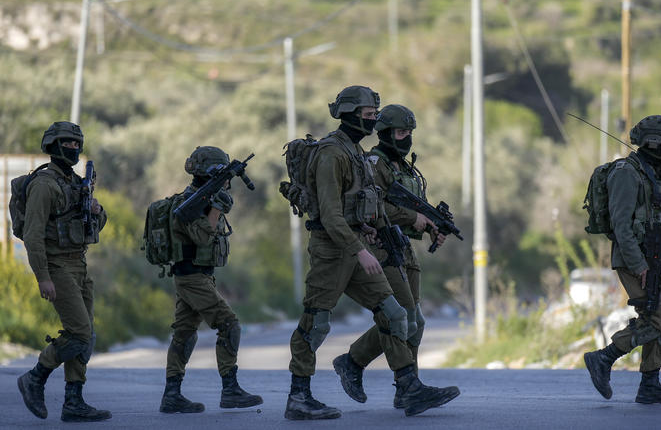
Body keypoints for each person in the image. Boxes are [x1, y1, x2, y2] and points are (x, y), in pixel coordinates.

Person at [285, 86, 456, 420]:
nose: (373, 120)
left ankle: (408, 386)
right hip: (332, 251)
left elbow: (368, 206)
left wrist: (377, 231)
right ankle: (298, 396)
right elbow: (332, 216)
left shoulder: (354, 152)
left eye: (375, 115)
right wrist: (359, 251)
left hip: (359, 246)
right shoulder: (332, 154)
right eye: (368, 114)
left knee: (395, 315)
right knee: (315, 323)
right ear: (348, 114)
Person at [332, 104, 459, 409]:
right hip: (379, 245)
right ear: (386, 133)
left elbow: (412, 208)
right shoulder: (373, 163)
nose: (406, 139)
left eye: (410, 133)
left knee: (416, 322)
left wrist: (430, 225)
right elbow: (372, 206)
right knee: (404, 316)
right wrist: (412, 218)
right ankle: (358, 363)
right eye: (401, 133)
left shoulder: (403, 167)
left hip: (402, 246)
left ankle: (408, 388)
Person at [584, 115, 661, 404]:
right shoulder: (626, 173)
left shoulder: (658, 171)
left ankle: (650, 384)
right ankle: (603, 358)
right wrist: (639, 264)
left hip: (657, 257)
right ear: (654, 142)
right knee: (656, 319)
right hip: (636, 259)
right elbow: (621, 226)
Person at [17, 121, 111, 422]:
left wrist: (97, 211)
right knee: (80, 333)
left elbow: (90, 229)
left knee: (86, 335)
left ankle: (74, 401)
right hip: (57, 265)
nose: (73, 148)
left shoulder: (74, 182)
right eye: (67, 143)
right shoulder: (44, 184)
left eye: (76, 144)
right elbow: (32, 235)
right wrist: (42, 276)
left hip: (79, 264)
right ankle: (35, 377)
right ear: (53, 145)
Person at [159, 146, 262, 413]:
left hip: (195, 276)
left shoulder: (201, 197)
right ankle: (230, 390)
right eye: (222, 173)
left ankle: (172, 395)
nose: (227, 180)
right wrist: (215, 209)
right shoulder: (189, 204)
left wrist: (215, 201)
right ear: (209, 173)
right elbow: (203, 237)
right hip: (192, 278)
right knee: (229, 325)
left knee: (184, 334)